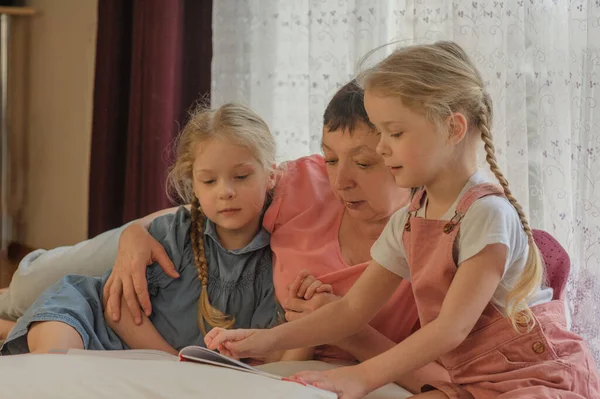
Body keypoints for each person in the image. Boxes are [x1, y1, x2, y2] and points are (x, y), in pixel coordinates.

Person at [204, 41, 600, 399]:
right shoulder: (410, 220)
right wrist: (260, 342)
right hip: (471, 382)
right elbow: (350, 311)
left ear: (453, 127)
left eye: (393, 133)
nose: (381, 147)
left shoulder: (486, 214)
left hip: (535, 377)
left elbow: (451, 329)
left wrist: (361, 377)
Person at [102, 80, 447, 393]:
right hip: (158, 259)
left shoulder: (436, 243)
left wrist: (343, 327)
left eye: (364, 163)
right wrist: (134, 233)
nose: (340, 181)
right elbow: (212, 204)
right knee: (59, 280)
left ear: (403, 156)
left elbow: (448, 383)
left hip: (307, 366)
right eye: (330, 158)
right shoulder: (304, 184)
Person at [1, 103, 304, 358]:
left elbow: (274, 348)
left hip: (138, 358)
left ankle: (12, 327)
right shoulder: (175, 234)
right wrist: (174, 363)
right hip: (89, 318)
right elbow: (115, 308)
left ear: (271, 176)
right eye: (209, 181)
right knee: (56, 367)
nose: (225, 191)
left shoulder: (278, 261)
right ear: (194, 186)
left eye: (240, 176)